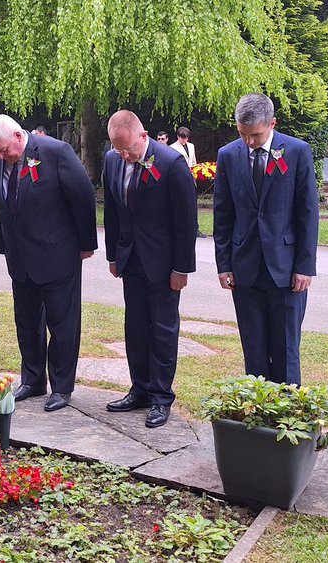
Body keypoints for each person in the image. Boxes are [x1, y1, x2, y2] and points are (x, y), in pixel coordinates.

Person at [0, 115, 97, 411]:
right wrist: (5, 245)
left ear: (19, 137)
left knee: (62, 324)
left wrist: (85, 245)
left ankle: (61, 387)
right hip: (20, 258)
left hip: (57, 253)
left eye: (4, 150)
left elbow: (82, 196)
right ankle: (32, 380)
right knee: (27, 323)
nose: (0, 157)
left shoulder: (55, 152)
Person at [213, 93, 318, 386]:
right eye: (242, 134)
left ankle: (284, 419)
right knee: (254, 349)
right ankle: (258, 418)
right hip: (244, 268)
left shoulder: (297, 151)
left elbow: (307, 213)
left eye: (255, 135)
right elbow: (223, 215)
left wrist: (304, 267)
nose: (249, 142)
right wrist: (224, 265)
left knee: (286, 349)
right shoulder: (228, 155)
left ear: (272, 123)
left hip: (285, 270)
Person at [102, 110, 197, 428]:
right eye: (119, 150)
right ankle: (139, 389)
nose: (125, 156)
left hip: (164, 263)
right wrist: (113, 256)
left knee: (163, 330)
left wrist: (182, 268)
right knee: (136, 327)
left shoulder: (171, 163)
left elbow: (186, 221)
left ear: (143, 136)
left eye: (129, 149)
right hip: (131, 261)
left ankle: (160, 396)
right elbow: (113, 213)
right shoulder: (113, 161)